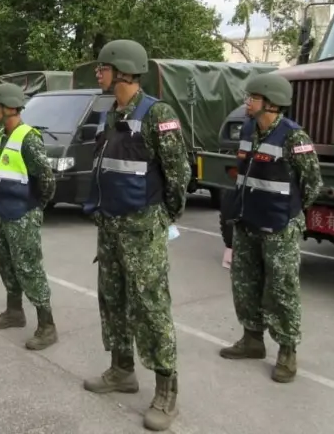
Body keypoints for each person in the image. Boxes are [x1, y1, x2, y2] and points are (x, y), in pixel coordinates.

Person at [81, 40, 191, 432]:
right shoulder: (111, 113)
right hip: (110, 226)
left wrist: (162, 217)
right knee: (112, 299)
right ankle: (121, 370)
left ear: (124, 71)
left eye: (103, 67)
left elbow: (179, 176)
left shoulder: (157, 114)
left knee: (150, 307)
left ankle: (166, 390)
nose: (99, 72)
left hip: (142, 228)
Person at [219, 73, 321, 384]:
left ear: (271, 104)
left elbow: (312, 185)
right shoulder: (248, 129)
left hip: (279, 226)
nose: (247, 102)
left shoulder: (294, 137)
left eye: (252, 98)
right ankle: (252, 340)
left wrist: (289, 213)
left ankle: (287, 351)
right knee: (245, 283)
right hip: (248, 221)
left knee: (281, 290)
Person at [0, 82, 58, 351]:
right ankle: (14, 311)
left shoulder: (28, 138)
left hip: (22, 214)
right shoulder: (0, 137)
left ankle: (47, 325)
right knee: (4, 261)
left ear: (10, 108)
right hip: (0, 212)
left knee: (29, 267)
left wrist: (35, 207)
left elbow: (46, 180)